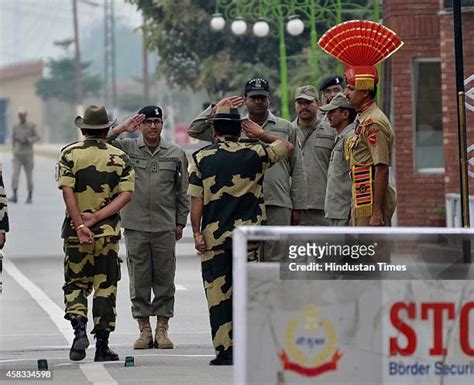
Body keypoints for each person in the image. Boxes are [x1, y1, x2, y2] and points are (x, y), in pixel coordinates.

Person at [188, 106, 293, 365]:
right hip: (248, 238)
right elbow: (287, 146)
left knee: (218, 295)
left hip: (215, 239)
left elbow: (196, 200)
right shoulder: (255, 153)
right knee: (249, 293)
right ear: (239, 129)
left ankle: (225, 350)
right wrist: (261, 133)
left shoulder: (201, 157)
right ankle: (250, 348)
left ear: (214, 130)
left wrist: (196, 232)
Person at [188, 78, 306, 262]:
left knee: (276, 259)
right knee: (245, 260)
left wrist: (297, 206)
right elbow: (194, 130)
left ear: (269, 100)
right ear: (245, 99)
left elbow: (297, 168)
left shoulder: (286, 127)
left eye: (262, 97)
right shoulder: (233, 125)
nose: (258, 101)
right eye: (253, 97)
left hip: (277, 201)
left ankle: (271, 292)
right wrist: (215, 108)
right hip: (243, 205)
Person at [56, 105, 135, 362]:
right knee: (106, 285)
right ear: (106, 129)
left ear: (82, 128)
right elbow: (127, 195)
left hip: (75, 233)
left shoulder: (69, 154)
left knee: (76, 283)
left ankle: (79, 329)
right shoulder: (120, 157)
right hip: (107, 233)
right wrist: (98, 218)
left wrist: (80, 225)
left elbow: (67, 191)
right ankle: (102, 345)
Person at [107, 105, 189, 350]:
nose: (153, 126)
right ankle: (144, 329)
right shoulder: (128, 149)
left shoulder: (175, 153)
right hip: (135, 225)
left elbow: (182, 191)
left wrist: (180, 221)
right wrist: (122, 128)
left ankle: (162, 329)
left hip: (165, 225)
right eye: (148, 122)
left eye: (157, 121)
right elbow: (100, 141)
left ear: (162, 124)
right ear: (141, 126)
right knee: (139, 279)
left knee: (165, 278)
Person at [318, 20, 402, 226]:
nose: (345, 93)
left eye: (351, 88)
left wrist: (376, 212)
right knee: (361, 255)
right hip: (361, 196)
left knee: (373, 255)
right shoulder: (362, 118)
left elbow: (381, 168)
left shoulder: (374, 121)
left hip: (371, 199)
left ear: (365, 91)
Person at [293, 85, 335, 226]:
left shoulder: (332, 130)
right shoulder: (287, 131)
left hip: (324, 207)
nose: (304, 107)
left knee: (326, 248)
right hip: (295, 209)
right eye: (300, 103)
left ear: (318, 103)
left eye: (308, 102)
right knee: (297, 248)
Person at [320, 93, 357, 226]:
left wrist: (353, 212)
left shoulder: (350, 138)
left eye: (332, 112)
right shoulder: (340, 137)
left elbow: (356, 178)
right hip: (337, 212)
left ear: (345, 114)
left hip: (345, 213)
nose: (328, 116)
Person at [9, 107, 40, 204]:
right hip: (17, 154)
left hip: (28, 154)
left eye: (23, 115)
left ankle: (29, 195)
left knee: (29, 176)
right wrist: (14, 149)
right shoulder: (15, 127)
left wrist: (28, 140)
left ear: (25, 116)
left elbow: (37, 137)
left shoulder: (31, 126)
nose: (21, 117)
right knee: (15, 175)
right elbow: (13, 139)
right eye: (20, 116)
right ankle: (14, 194)